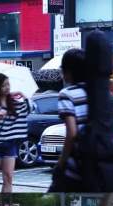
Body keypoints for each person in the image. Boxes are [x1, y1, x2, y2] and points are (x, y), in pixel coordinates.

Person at [49, 48, 88, 192]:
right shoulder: (102, 92)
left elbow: (72, 133)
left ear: (69, 71)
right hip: (101, 162)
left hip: (77, 165)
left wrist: (61, 162)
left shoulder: (67, 94)